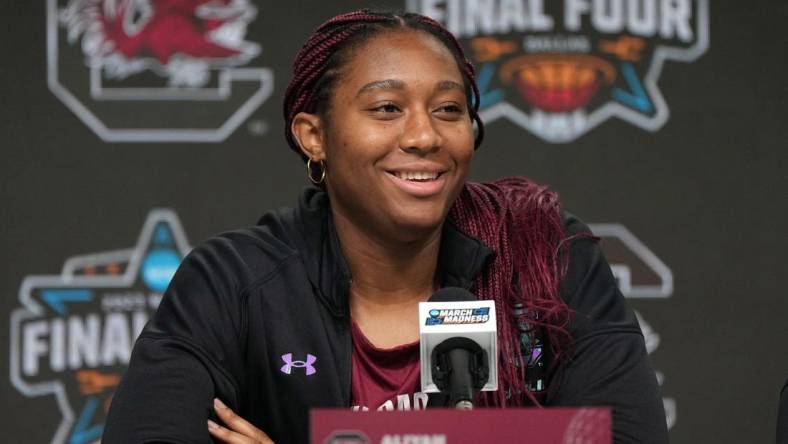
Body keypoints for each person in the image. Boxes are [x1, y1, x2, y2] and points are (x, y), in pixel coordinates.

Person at [103, 9, 668, 444]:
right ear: (313, 136)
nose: (425, 137)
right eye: (386, 109)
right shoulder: (233, 281)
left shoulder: (546, 258)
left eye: (449, 110)